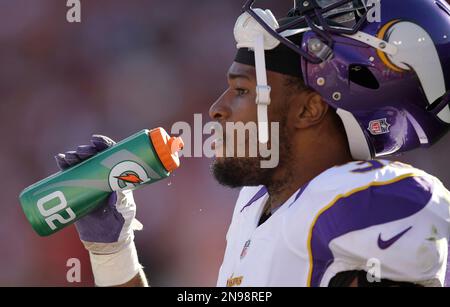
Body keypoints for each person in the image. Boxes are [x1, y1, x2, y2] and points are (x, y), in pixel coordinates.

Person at [55, 0, 450, 287]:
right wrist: (113, 253)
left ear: (309, 109)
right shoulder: (255, 204)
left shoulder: (378, 199)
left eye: (242, 90)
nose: (217, 110)